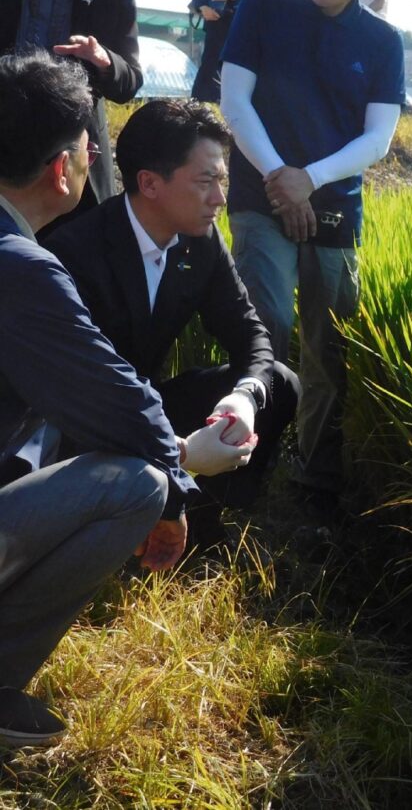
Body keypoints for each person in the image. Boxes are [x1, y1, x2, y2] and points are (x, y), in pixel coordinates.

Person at [0, 52, 252, 749]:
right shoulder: (22, 266)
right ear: (63, 168)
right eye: (88, 146)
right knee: (134, 484)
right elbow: (117, 401)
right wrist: (176, 486)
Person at [45, 100, 301, 548]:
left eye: (221, 180)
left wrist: (243, 398)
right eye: (205, 182)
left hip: (147, 406)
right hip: (86, 423)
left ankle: (205, 522)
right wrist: (176, 449)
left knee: (279, 383)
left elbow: (249, 333)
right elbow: (92, 391)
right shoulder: (77, 254)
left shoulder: (200, 242)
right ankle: (138, 521)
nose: (220, 198)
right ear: (149, 183)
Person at [219, 0, 409, 512]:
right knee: (266, 325)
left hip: (334, 204)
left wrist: (310, 179)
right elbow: (235, 103)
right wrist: (281, 178)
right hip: (260, 192)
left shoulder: (381, 40)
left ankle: (316, 476)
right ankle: (244, 464)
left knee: (329, 344)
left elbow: (377, 139)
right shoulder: (260, 8)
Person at [0, 0, 143, 234]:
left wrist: (104, 60)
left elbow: (131, 80)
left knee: (73, 257)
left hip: (73, 151)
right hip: (6, 136)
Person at [188, 0, 260, 103]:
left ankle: (228, 101)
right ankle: (200, 102)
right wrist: (202, 6)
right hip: (215, 18)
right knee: (211, 61)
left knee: (235, 65)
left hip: (241, 22)